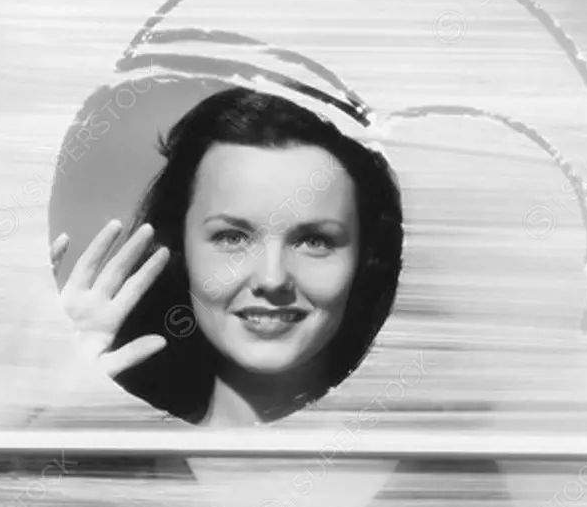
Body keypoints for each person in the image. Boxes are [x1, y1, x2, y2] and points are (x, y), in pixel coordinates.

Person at [50, 86, 403, 426]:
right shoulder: (112, 452)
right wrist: (52, 418)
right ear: (180, 251)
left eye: (314, 241)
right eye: (232, 237)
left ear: (365, 259)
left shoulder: (428, 454)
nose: (272, 279)